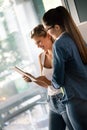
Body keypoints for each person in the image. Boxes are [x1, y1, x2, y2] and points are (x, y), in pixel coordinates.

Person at [42, 6, 87, 130]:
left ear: (57, 27)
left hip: (76, 101)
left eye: (47, 29)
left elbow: (58, 80)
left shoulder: (59, 44)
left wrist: (49, 83)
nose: (48, 34)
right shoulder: (77, 38)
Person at [23, 24, 73, 130]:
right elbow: (45, 84)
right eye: (36, 44)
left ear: (48, 36)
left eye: (39, 41)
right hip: (52, 101)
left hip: (65, 98)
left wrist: (48, 81)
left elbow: (67, 81)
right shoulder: (41, 57)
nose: (38, 46)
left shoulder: (60, 52)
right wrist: (33, 79)